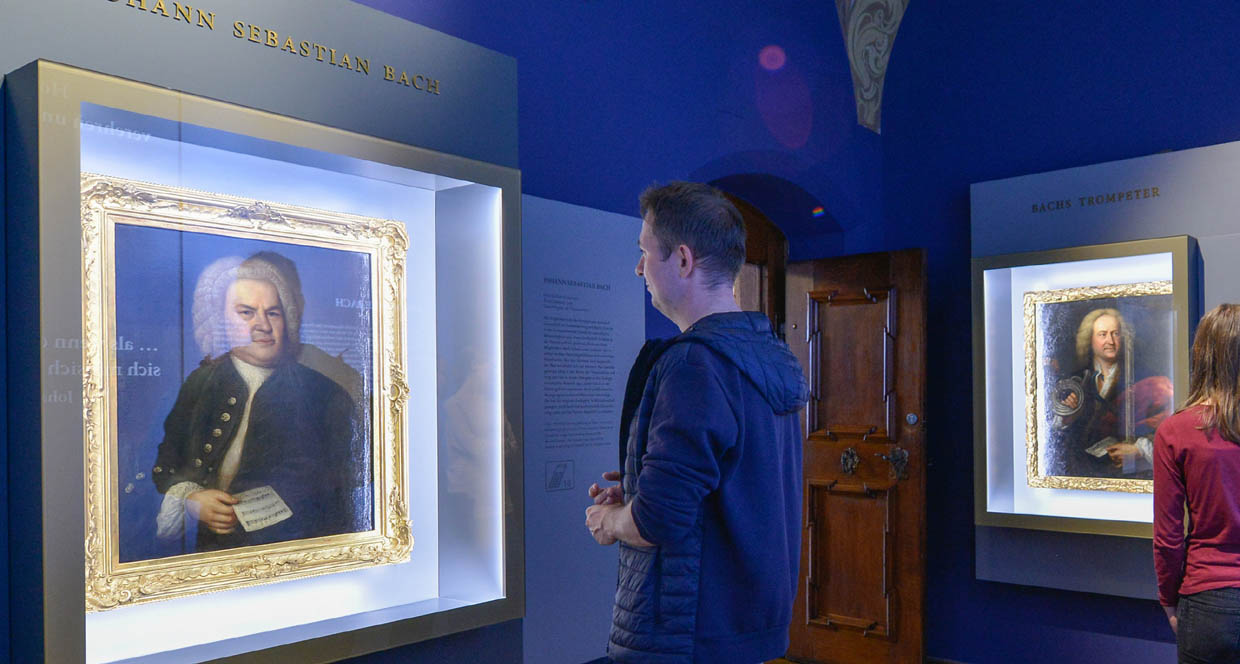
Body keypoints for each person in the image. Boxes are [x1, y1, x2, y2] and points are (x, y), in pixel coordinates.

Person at [584, 182, 807, 663]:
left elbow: (656, 521)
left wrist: (611, 520)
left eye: (645, 252)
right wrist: (644, 485)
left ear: (683, 260)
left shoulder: (694, 364)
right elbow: (730, 487)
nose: (639, 268)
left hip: (687, 636)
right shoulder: (769, 353)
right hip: (743, 629)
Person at [151, 251, 365, 552]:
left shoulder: (325, 395)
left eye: (273, 313)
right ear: (221, 321)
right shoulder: (200, 384)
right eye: (247, 312)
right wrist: (192, 501)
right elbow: (164, 466)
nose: (262, 325)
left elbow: (337, 495)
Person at [1154, 303, 1240, 663]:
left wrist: (1168, 599)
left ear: (1202, 354)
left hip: (1209, 599)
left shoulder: (1176, 431)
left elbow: (1168, 537)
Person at [1051, 308, 1172, 477]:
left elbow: (1169, 430)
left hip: (1127, 475)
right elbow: (1054, 440)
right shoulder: (1076, 381)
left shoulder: (1146, 379)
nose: (1110, 341)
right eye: (1102, 334)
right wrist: (1066, 418)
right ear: (1089, 340)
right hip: (1082, 474)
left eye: (1115, 334)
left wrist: (1139, 449)